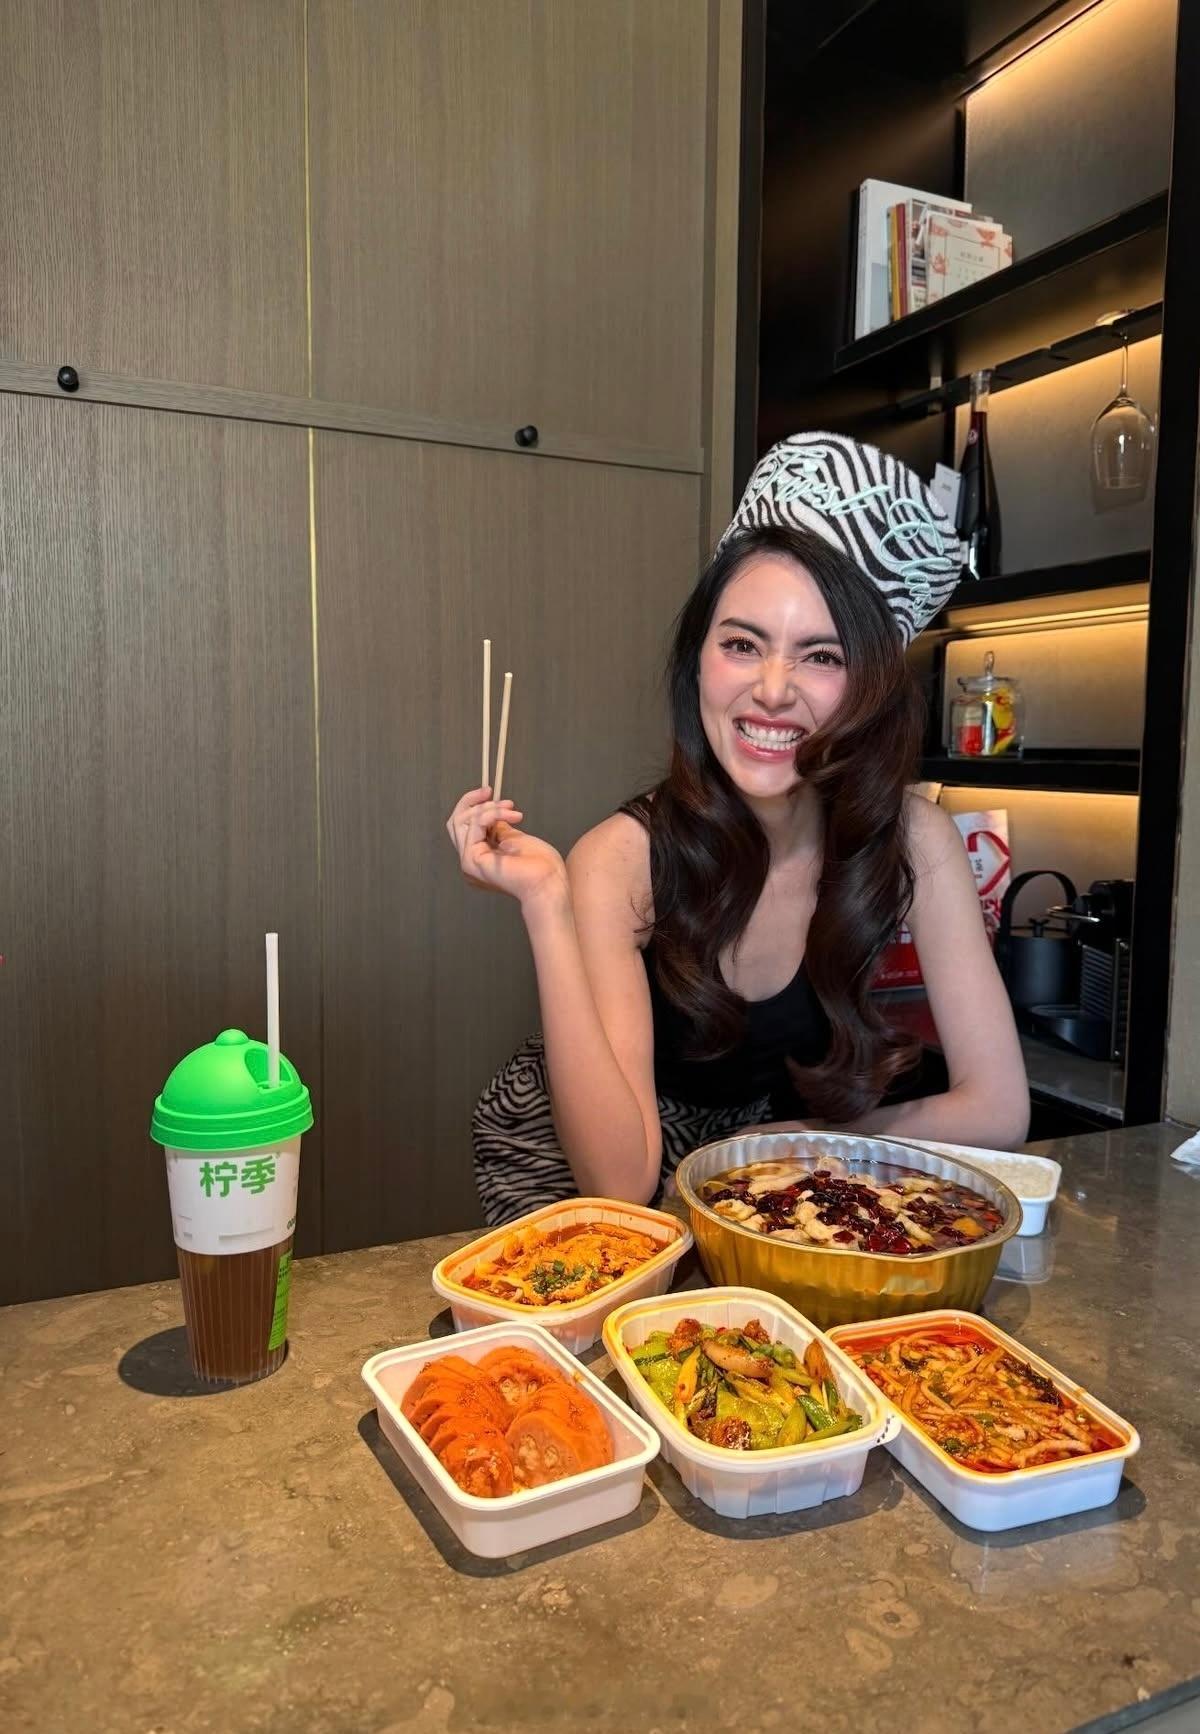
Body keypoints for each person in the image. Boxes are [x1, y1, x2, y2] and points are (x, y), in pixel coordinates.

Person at [446, 432, 1030, 1225]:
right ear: (700, 662)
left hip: (772, 1156)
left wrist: (812, 1142)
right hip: (596, 1157)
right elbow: (619, 1182)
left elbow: (999, 1108)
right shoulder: (620, 860)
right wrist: (547, 903)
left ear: (870, 687)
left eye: (821, 656)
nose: (773, 689)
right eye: (742, 645)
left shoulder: (915, 838)